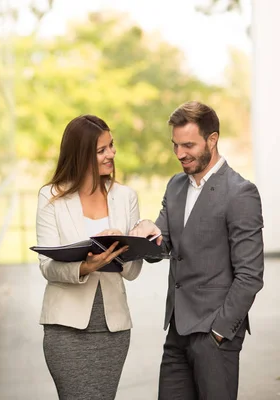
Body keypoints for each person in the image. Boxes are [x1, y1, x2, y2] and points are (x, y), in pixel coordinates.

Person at [129, 101, 264, 400]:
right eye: (175, 145)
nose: (180, 154)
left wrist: (220, 331)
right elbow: (158, 249)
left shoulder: (240, 193)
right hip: (177, 331)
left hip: (215, 336)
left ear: (212, 139)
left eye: (188, 145)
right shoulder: (175, 186)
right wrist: (145, 231)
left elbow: (251, 275)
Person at [36, 114, 143, 399]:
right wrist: (85, 266)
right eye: (102, 150)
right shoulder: (51, 197)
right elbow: (47, 266)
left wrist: (126, 245)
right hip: (65, 329)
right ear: (81, 155)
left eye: (111, 146)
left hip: (113, 329)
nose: (112, 154)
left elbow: (132, 272)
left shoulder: (126, 197)